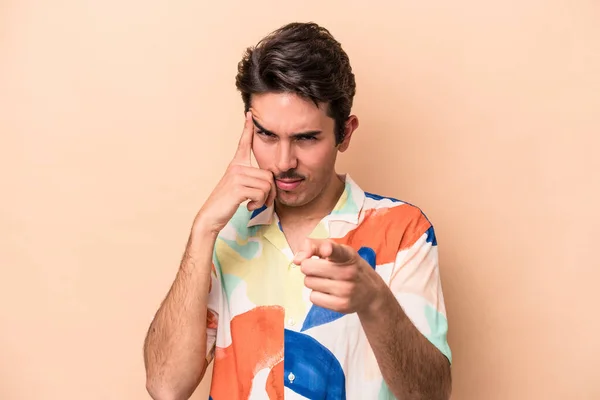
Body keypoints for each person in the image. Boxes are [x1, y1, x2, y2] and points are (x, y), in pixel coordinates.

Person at [143, 21, 452, 400]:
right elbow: (164, 387)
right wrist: (203, 229)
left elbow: (431, 395)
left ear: (346, 134)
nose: (284, 161)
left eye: (306, 138)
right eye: (267, 135)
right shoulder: (225, 234)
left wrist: (374, 301)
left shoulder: (404, 232)